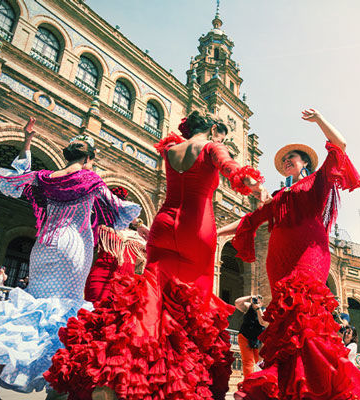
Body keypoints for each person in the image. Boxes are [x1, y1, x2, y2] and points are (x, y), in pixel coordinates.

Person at [45, 111, 267, 400]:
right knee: (189, 311)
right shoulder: (212, 146)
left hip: (163, 225)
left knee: (150, 299)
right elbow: (232, 169)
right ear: (212, 129)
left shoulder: (171, 150)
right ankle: (171, 385)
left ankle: (115, 372)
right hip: (196, 229)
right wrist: (255, 187)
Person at [0, 117, 141, 400]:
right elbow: (116, 209)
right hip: (72, 247)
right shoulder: (90, 178)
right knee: (65, 313)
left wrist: (28, 140)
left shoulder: (45, 178)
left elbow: (17, 177)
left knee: (30, 309)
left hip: (43, 246)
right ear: (89, 159)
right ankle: (60, 387)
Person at [218, 109, 360, 400]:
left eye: (291, 157)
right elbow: (249, 221)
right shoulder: (278, 197)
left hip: (309, 253)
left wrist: (319, 119)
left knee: (306, 317)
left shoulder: (316, 182)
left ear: (304, 161)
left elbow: (340, 146)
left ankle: (330, 385)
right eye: (283, 160)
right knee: (289, 327)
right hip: (278, 261)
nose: (286, 161)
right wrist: (216, 232)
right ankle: (297, 388)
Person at [84, 186, 149, 303]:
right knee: (94, 316)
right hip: (99, 279)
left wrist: (140, 225)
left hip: (126, 287)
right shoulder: (101, 229)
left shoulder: (139, 237)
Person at [235, 295, 268, 379]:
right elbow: (237, 302)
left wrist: (258, 309)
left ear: (262, 302)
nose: (257, 301)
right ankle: (248, 382)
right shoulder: (248, 307)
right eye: (255, 300)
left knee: (260, 362)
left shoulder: (264, 310)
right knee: (247, 361)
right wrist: (250, 297)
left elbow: (263, 322)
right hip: (245, 336)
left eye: (259, 300)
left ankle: (261, 382)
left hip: (258, 339)